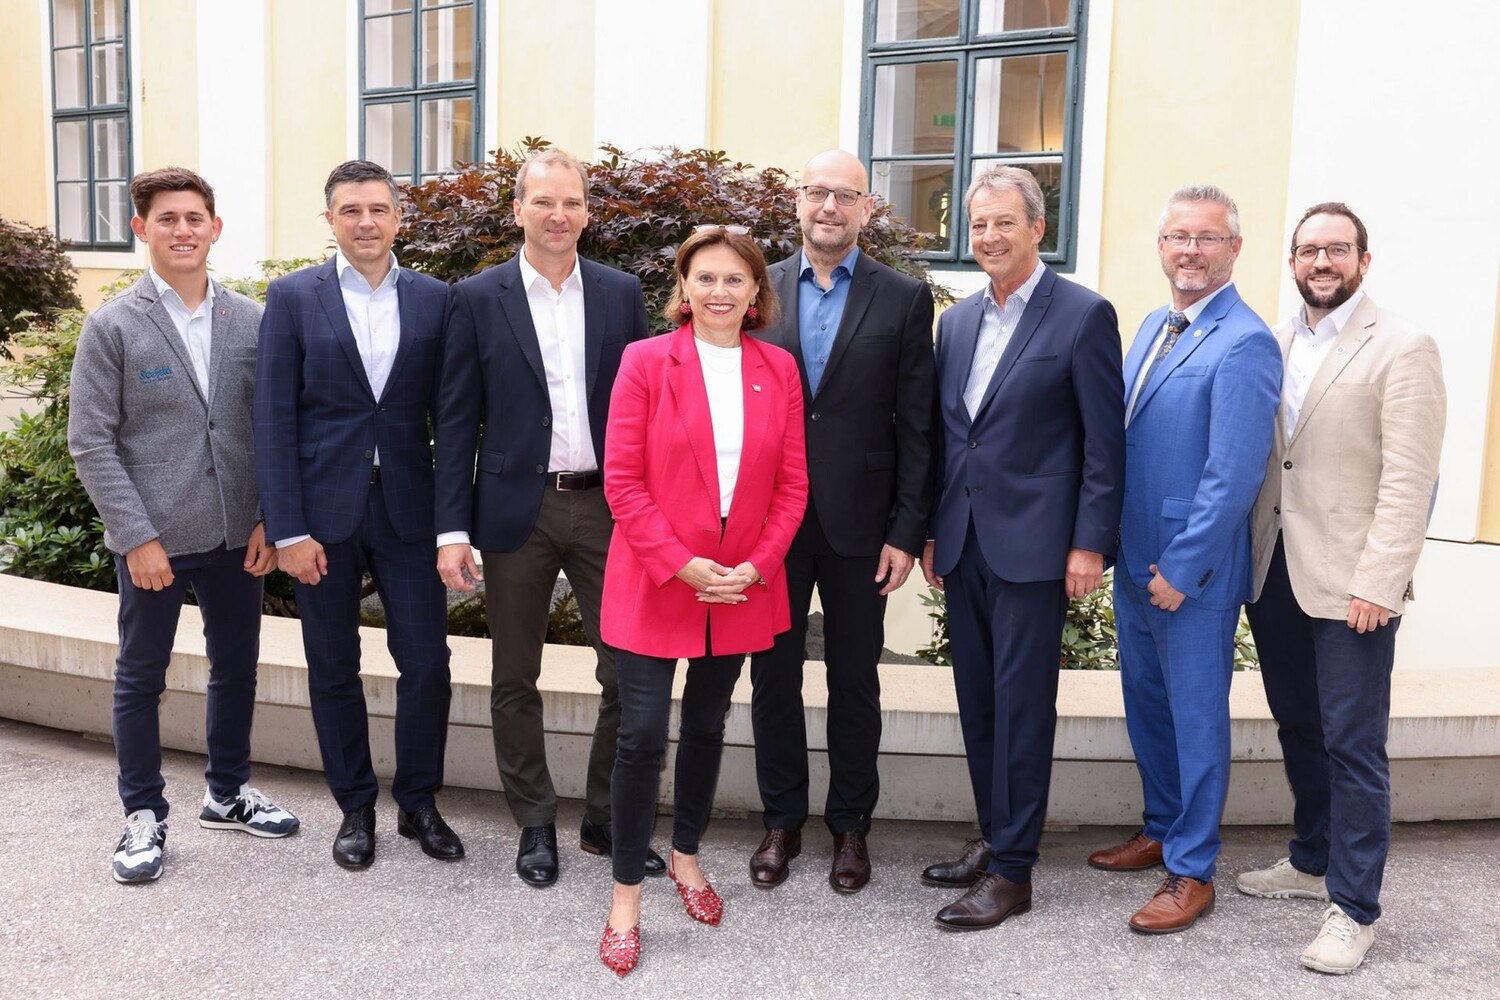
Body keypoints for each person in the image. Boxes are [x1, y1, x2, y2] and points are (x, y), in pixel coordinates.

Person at [68, 166, 297, 885]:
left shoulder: (249, 319)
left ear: (215, 228)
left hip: (238, 535)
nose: (183, 231)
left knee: (236, 669)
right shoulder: (113, 326)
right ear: (142, 229)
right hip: (155, 544)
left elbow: (271, 426)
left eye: (195, 218)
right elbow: (90, 442)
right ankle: (143, 813)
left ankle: (226, 793)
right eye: (167, 219)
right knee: (141, 678)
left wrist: (268, 516)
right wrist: (135, 536)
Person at [433, 149, 654, 887]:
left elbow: (647, 411)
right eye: (543, 202)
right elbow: (457, 420)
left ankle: (604, 817)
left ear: (588, 213)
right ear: (518, 210)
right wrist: (451, 529)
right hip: (512, 511)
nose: (558, 215)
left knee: (627, 671)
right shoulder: (477, 296)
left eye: (572, 203)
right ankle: (534, 822)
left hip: (607, 508)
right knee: (513, 674)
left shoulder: (622, 293)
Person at [1238, 203, 1446, 974]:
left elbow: (1410, 476)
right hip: (1277, 573)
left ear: (1364, 258)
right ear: (1292, 262)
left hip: (1355, 583)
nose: (1321, 262)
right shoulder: (1277, 339)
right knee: (1298, 724)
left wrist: (1382, 582)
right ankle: (1309, 858)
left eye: (1336, 250)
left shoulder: (1403, 346)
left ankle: (1354, 909)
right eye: (1308, 251)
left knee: (1354, 744)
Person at [596, 226, 808, 975]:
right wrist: (683, 564)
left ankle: (685, 856)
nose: (720, 292)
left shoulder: (777, 368)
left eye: (735, 280)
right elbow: (622, 481)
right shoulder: (646, 362)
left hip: (741, 582)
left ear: (757, 293)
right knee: (642, 734)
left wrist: (754, 567)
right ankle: (626, 893)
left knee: (710, 724)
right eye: (705, 278)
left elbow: (792, 485)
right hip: (661, 577)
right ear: (683, 287)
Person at [919, 165, 1124, 930]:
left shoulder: (1082, 315)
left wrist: (1089, 544)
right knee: (977, 701)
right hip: (966, 543)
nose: (989, 237)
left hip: (1039, 549)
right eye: (977, 225)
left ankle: (1014, 871)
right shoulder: (959, 322)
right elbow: (951, 438)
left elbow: (1106, 444)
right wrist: (936, 530)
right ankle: (995, 833)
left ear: (1039, 228)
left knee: (1024, 706)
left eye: (1004, 222)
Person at [254, 160, 460, 869]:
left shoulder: (437, 300)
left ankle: (420, 803)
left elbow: (454, 418)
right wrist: (287, 528)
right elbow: (273, 418)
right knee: (332, 666)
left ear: (399, 217)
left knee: (427, 664)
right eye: (351, 210)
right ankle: (355, 807)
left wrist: (452, 525)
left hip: (409, 510)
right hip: (320, 517)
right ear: (331, 220)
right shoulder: (292, 298)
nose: (366, 222)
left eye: (378, 209)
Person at [1086, 185, 1281, 933]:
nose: (1189, 250)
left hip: (1187, 575)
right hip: (1135, 562)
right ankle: (1162, 825)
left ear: (1233, 249)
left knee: (1196, 718)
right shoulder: (1151, 325)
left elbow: (1233, 474)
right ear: (1161, 246)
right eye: (1177, 237)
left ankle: (1192, 870)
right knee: (1148, 706)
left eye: (1206, 237)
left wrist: (1185, 566)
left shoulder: (1245, 340)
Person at [746, 150, 936, 893]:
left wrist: (907, 529)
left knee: (857, 682)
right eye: (818, 192)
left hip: (864, 529)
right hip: (774, 525)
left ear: (866, 207)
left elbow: (918, 428)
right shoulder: (757, 291)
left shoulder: (903, 298)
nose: (830, 206)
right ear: (797, 200)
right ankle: (781, 821)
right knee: (773, 679)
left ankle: (851, 828)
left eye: (845, 195)